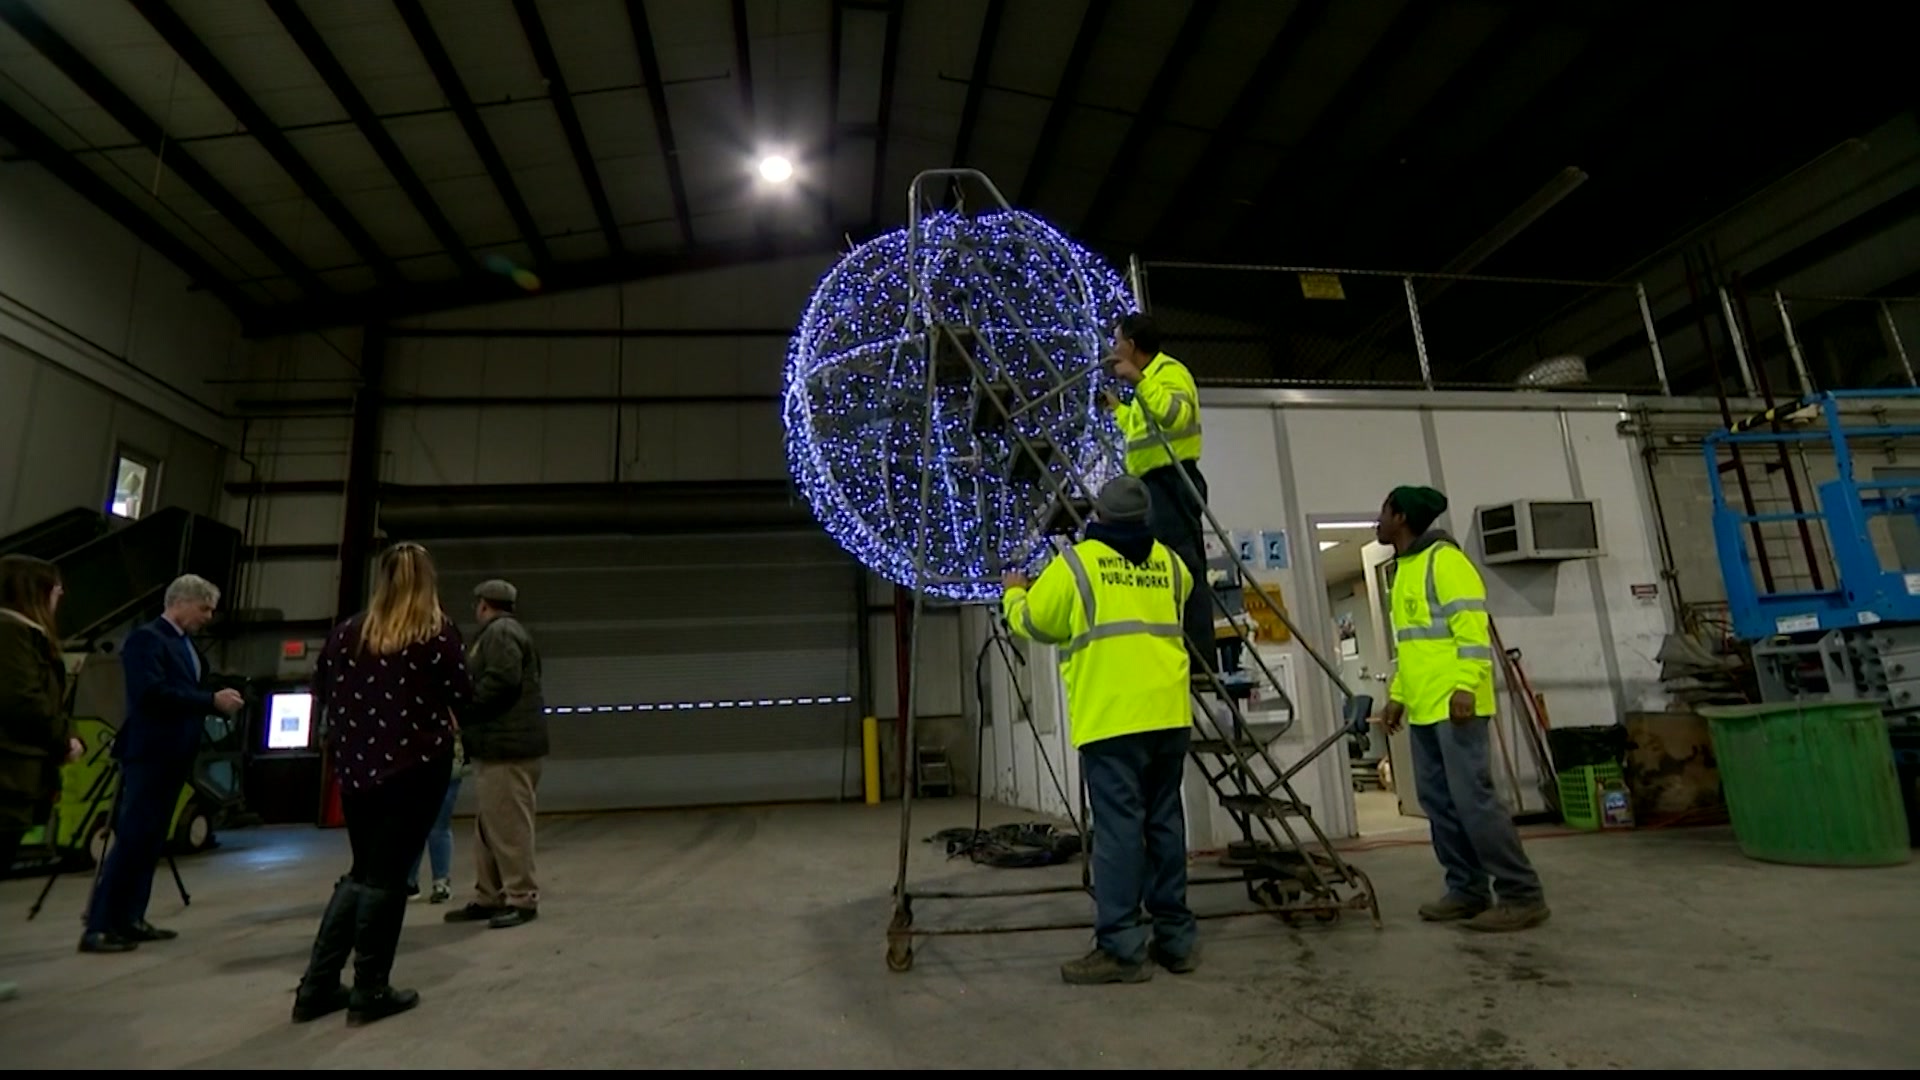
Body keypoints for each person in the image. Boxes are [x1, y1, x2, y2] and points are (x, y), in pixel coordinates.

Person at [1003, 476, 1197, 984]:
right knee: (1165, 826)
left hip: (1113, 720)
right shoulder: (1173, 566)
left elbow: (1037, 624)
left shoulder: (1077, 566)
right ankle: (1176, 940)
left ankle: (1122, 948)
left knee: (1118, 834)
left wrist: (1013, 596)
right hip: (1169, 715)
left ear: (1101, 517)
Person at [293, 542, 471, 1026]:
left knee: (362, 871)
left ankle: (318, 986)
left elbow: (321, 691)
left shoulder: (347, 633)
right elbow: (463, 694)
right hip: (415, 769)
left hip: (355, 772)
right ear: (427, 582)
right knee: (386, 879)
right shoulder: (437, 634)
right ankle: (370, 988)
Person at [1376, 485, 1550, 933]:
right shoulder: (1404, 570)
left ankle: (1521, 894)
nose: (1378, 520)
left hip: (1457, 706)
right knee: (1438, 802)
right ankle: (1467, 890)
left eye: (1383, 512)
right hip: (1424, 705)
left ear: (1400, 517)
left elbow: (1471, 626)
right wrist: (1398, 695)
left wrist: (1466, 686)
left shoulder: (1445, 562)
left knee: (1475, 802)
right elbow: (1410, 646)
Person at [81, 574, 244, 954]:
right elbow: (150, 693)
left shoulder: (185, 644)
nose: (207, 617)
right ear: (181, 602)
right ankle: (100, 925)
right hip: (149, 752)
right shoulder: (147, 639)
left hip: (174, 754)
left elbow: (190, 684)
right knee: (133, 838)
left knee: (152, 840)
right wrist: (209, 702)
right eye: (204, 608)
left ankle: (132, 918)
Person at [1104, 313, 1214, 671]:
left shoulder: (1169, 374)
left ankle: (1198, 660)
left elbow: (1176, 416)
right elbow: (1140, 431)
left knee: (1183, 565)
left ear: (1132, 346)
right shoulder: (1147, 385)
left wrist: (1139, 382)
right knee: (1161, 569)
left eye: (1117, 340)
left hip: (1172, 480)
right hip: (1151, 485)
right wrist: (1119, 409)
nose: (1113, 347)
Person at [0, 556, 85, 1002]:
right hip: (7, 774)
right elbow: (20, 700)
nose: (61, 595)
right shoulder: (11, 633)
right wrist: (62, 740)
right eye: (55, 587)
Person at [444, 580, 549, 930]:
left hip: (507, 749)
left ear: (483, 604)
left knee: (509, 827)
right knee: (490, 827)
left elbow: (503, 680)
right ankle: (490, 896)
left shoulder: (500, 633)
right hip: (499, 748)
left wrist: (465, 708)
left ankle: (522, 898)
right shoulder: (507, 631)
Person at [406, 733, 469, 905]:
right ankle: (420, 882)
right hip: (423, 759)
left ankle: (436, 882)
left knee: (435, 825)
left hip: (440, 760)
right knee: (419, 825)